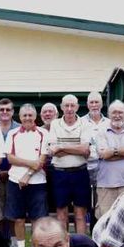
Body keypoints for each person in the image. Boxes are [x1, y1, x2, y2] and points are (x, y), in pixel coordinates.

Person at [4, 103, 50, 247]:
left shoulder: (43, 133)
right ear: (20, 117)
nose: (27, 118)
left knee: (37, 219)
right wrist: (31, 163)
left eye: (30, 115)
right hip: (15, 182)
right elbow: (10, 158)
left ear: (35, 116)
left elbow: (42, 159)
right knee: (18, 218)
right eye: (24, 115)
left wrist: (27, 174)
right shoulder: (13, 133)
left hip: (38, 182)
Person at [48, 94, 91, 234]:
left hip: (80, 172)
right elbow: (54, 152)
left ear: (77, 107)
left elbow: (85, 150)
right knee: (61, 215)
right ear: (61, 107)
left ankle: (81, 246)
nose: (69, 109)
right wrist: (75, 148)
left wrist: (61, 147)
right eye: (66, 105)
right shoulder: (55, 124)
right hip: (60, 173)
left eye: (72, 105)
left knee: (80, 215)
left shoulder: (85, 124)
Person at [94, 100, 124, 218]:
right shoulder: (101, 130)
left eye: (120, 112)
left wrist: (113, 152)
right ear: (109, 114)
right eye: (114, 112)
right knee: (105, 220)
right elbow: (104, 155)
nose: (117, 115)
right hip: (105, 185)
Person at [0, 98, 21, 247]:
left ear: (13, 112)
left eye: (8, 110)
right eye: (2, 110)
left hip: (15, 174)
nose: (5, 112)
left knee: (12, 208)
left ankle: (14, 242)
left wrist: (10, 171)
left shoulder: (19, 128)